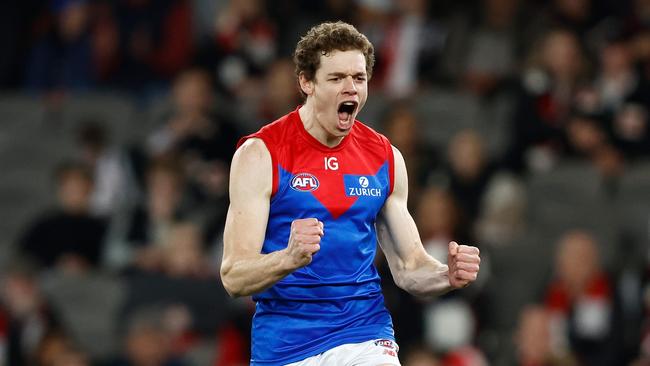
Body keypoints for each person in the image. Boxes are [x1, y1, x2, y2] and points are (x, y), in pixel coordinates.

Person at [220, 21, 481, 366]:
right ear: (306, 82)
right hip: (286, 346)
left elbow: (408, 266)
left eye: (358, 79)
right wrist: (289, 257)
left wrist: (444, 275)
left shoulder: (384, 158)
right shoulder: (261, 155)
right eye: (336, 78)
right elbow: (234, 276)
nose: (350, 89)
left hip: (364, 336)